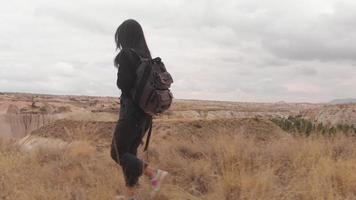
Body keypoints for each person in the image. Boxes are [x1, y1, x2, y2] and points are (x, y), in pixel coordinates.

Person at [110, 19, 168, 200]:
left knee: (117, 152)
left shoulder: (127, 55)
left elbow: (123, 84)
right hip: (145, 116)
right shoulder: (147, 57)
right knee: (130, 154)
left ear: (124, 37)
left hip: (130, 114)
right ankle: (131, 195)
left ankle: (153, 173)